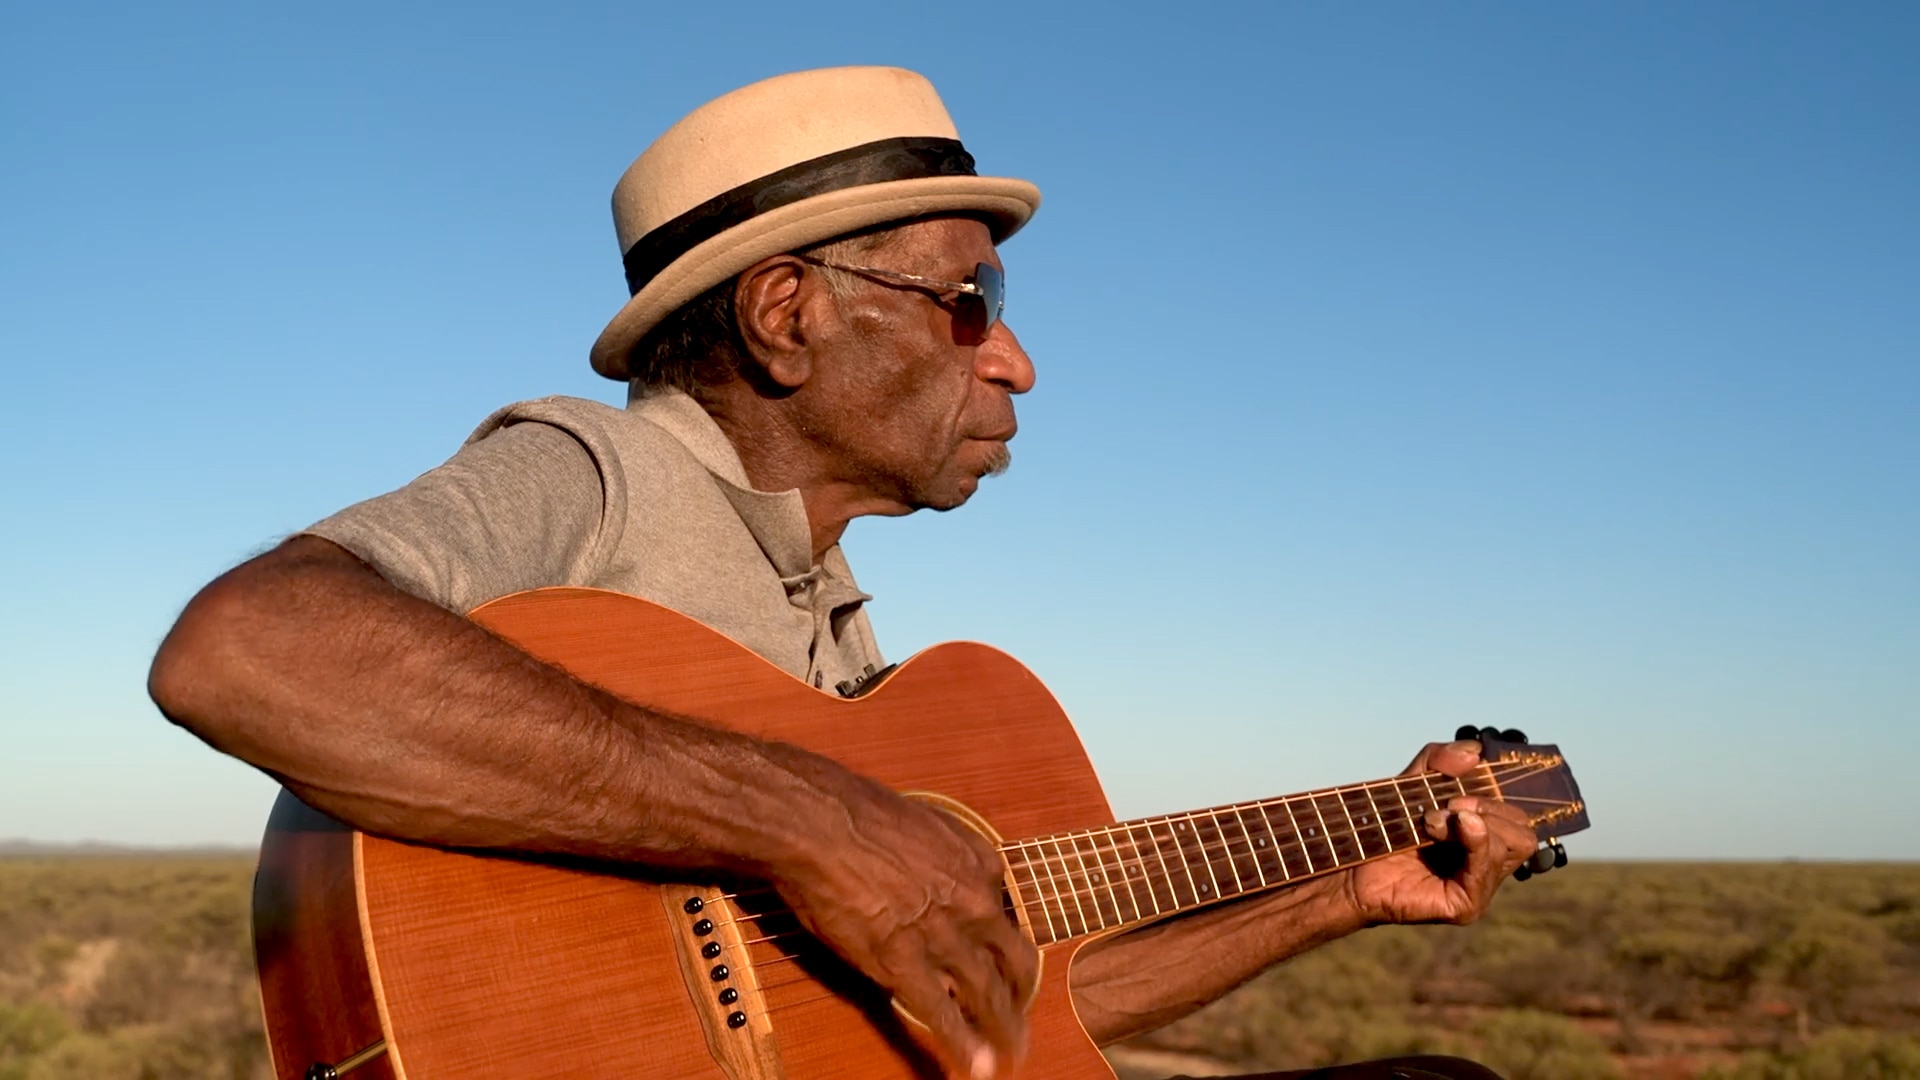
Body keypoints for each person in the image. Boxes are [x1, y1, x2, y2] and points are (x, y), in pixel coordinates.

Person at [147, 67, 1536, 1080]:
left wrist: (1349, 881)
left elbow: (1033, 1005)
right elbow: (248, 647)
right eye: (967, 303)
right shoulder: (599, 476)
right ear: (786, 315)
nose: (1013, 359)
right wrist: (814, 823)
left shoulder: (844, 635)